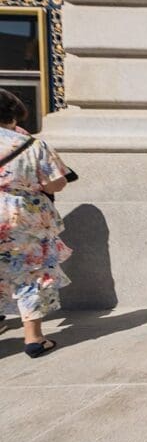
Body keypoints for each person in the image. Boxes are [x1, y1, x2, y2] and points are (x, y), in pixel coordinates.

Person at [0, 90, 72, 358]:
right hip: (23, 217)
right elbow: (56, 183)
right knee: (30, 272)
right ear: (14, 114)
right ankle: (33, 337)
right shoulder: (31, 146)